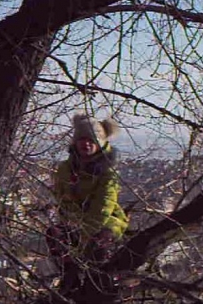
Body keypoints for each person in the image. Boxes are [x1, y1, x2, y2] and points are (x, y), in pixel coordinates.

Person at [47, 113, 129, 296]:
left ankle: (100, 287)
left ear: (100, 142)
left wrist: (84, 235)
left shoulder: (107, 172)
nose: (86, 144)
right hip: (75, 221)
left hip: (106, 221)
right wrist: (68, 223)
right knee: (55, 235)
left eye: (92, 140)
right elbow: (61, 198)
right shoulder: (65, 168)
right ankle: (70, 281)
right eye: (82, 139)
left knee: (98, 245)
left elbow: (103, 207)